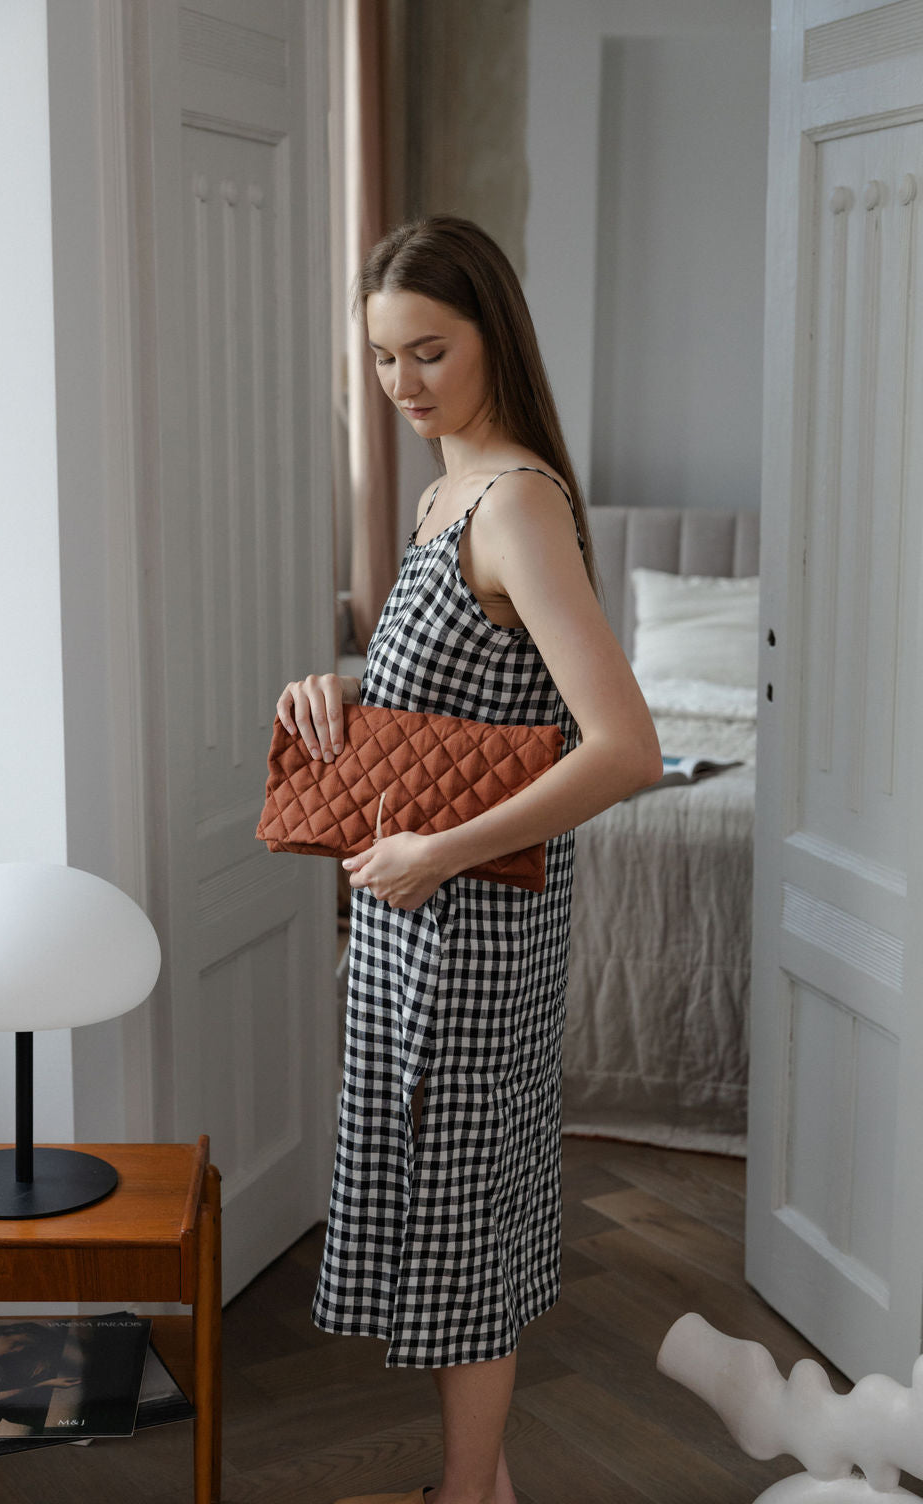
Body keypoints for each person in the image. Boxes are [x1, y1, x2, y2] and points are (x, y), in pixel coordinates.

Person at [276, 215, 662, 1504]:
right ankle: (476, 1487)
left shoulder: (514, 505)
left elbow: (622, 750)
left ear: (495, 333)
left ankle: (467, 1497)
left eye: (429, 352)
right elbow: (470, 709)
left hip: (471, 928)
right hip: (420, 916)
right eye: (382, 361)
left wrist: (441, 849)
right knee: (445, 1216)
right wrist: (333, 691)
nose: (403, 387)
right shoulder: (448, 492)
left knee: (461, 1238)